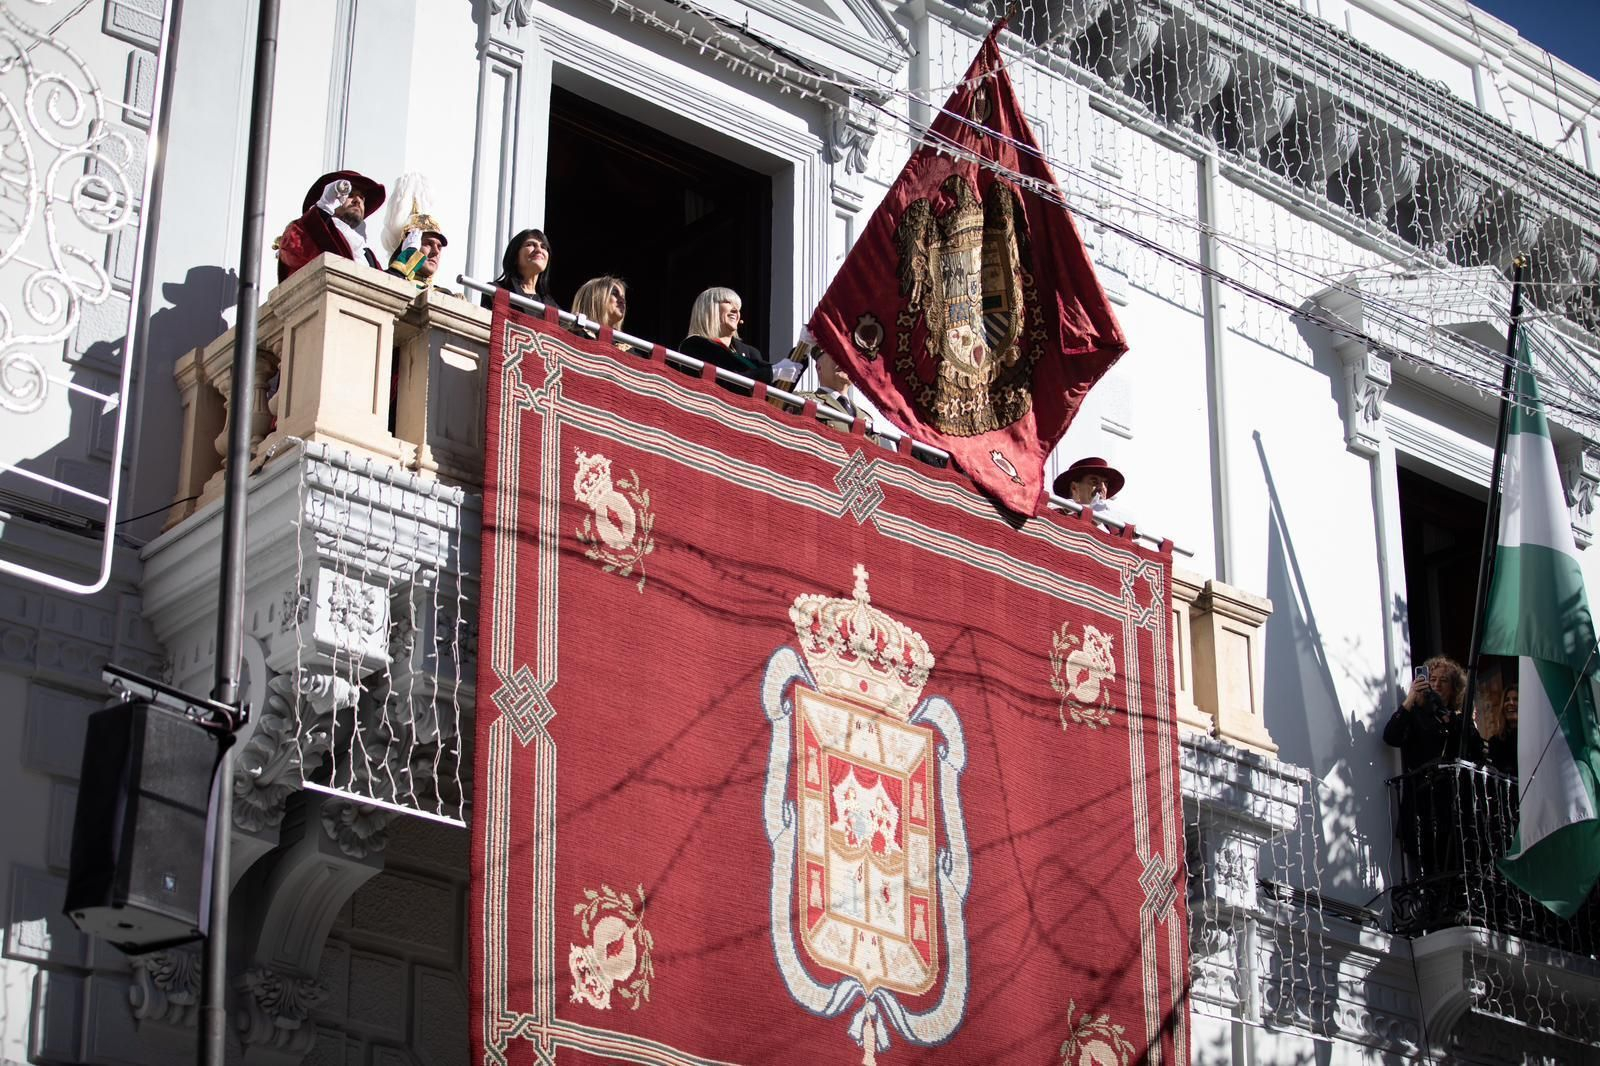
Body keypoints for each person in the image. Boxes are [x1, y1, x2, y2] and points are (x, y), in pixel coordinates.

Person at [1384, 655, 1477, 885]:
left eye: (1443, 680)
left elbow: (1474, 751)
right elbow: (1391, 736)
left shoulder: (1457, 721)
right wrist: (1410, 700)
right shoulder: (1415, 717)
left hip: (1452, 802)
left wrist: (1454, 721)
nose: (1436, 684)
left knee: (1454, 857)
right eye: (1431, 679)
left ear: (1454, 688)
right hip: (1423, 804)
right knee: (1429, 861)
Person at [275, 170, 387, 282]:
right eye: (350, 195)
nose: (357, 200)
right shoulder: (301, 231)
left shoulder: (365, 253)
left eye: (361, 198)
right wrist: (323, 209)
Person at [678, 287, 770, 389]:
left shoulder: (751, 353)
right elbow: (723, 383)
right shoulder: (694, 345)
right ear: (709, 310)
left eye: (738, 307)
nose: (736, 310)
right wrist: (771, 373)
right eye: (728, 302)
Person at [483, 228, 558, 311]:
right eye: (530, 244)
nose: (539, 250)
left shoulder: (552, 308)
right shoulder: (495, 291)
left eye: (543, 247)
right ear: (515, 256)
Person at [387, 223, 447, 290]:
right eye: (428, 244)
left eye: (439, 247)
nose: (436, 252)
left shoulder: (444, 293)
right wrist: (409, 254)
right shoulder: (383, 276)